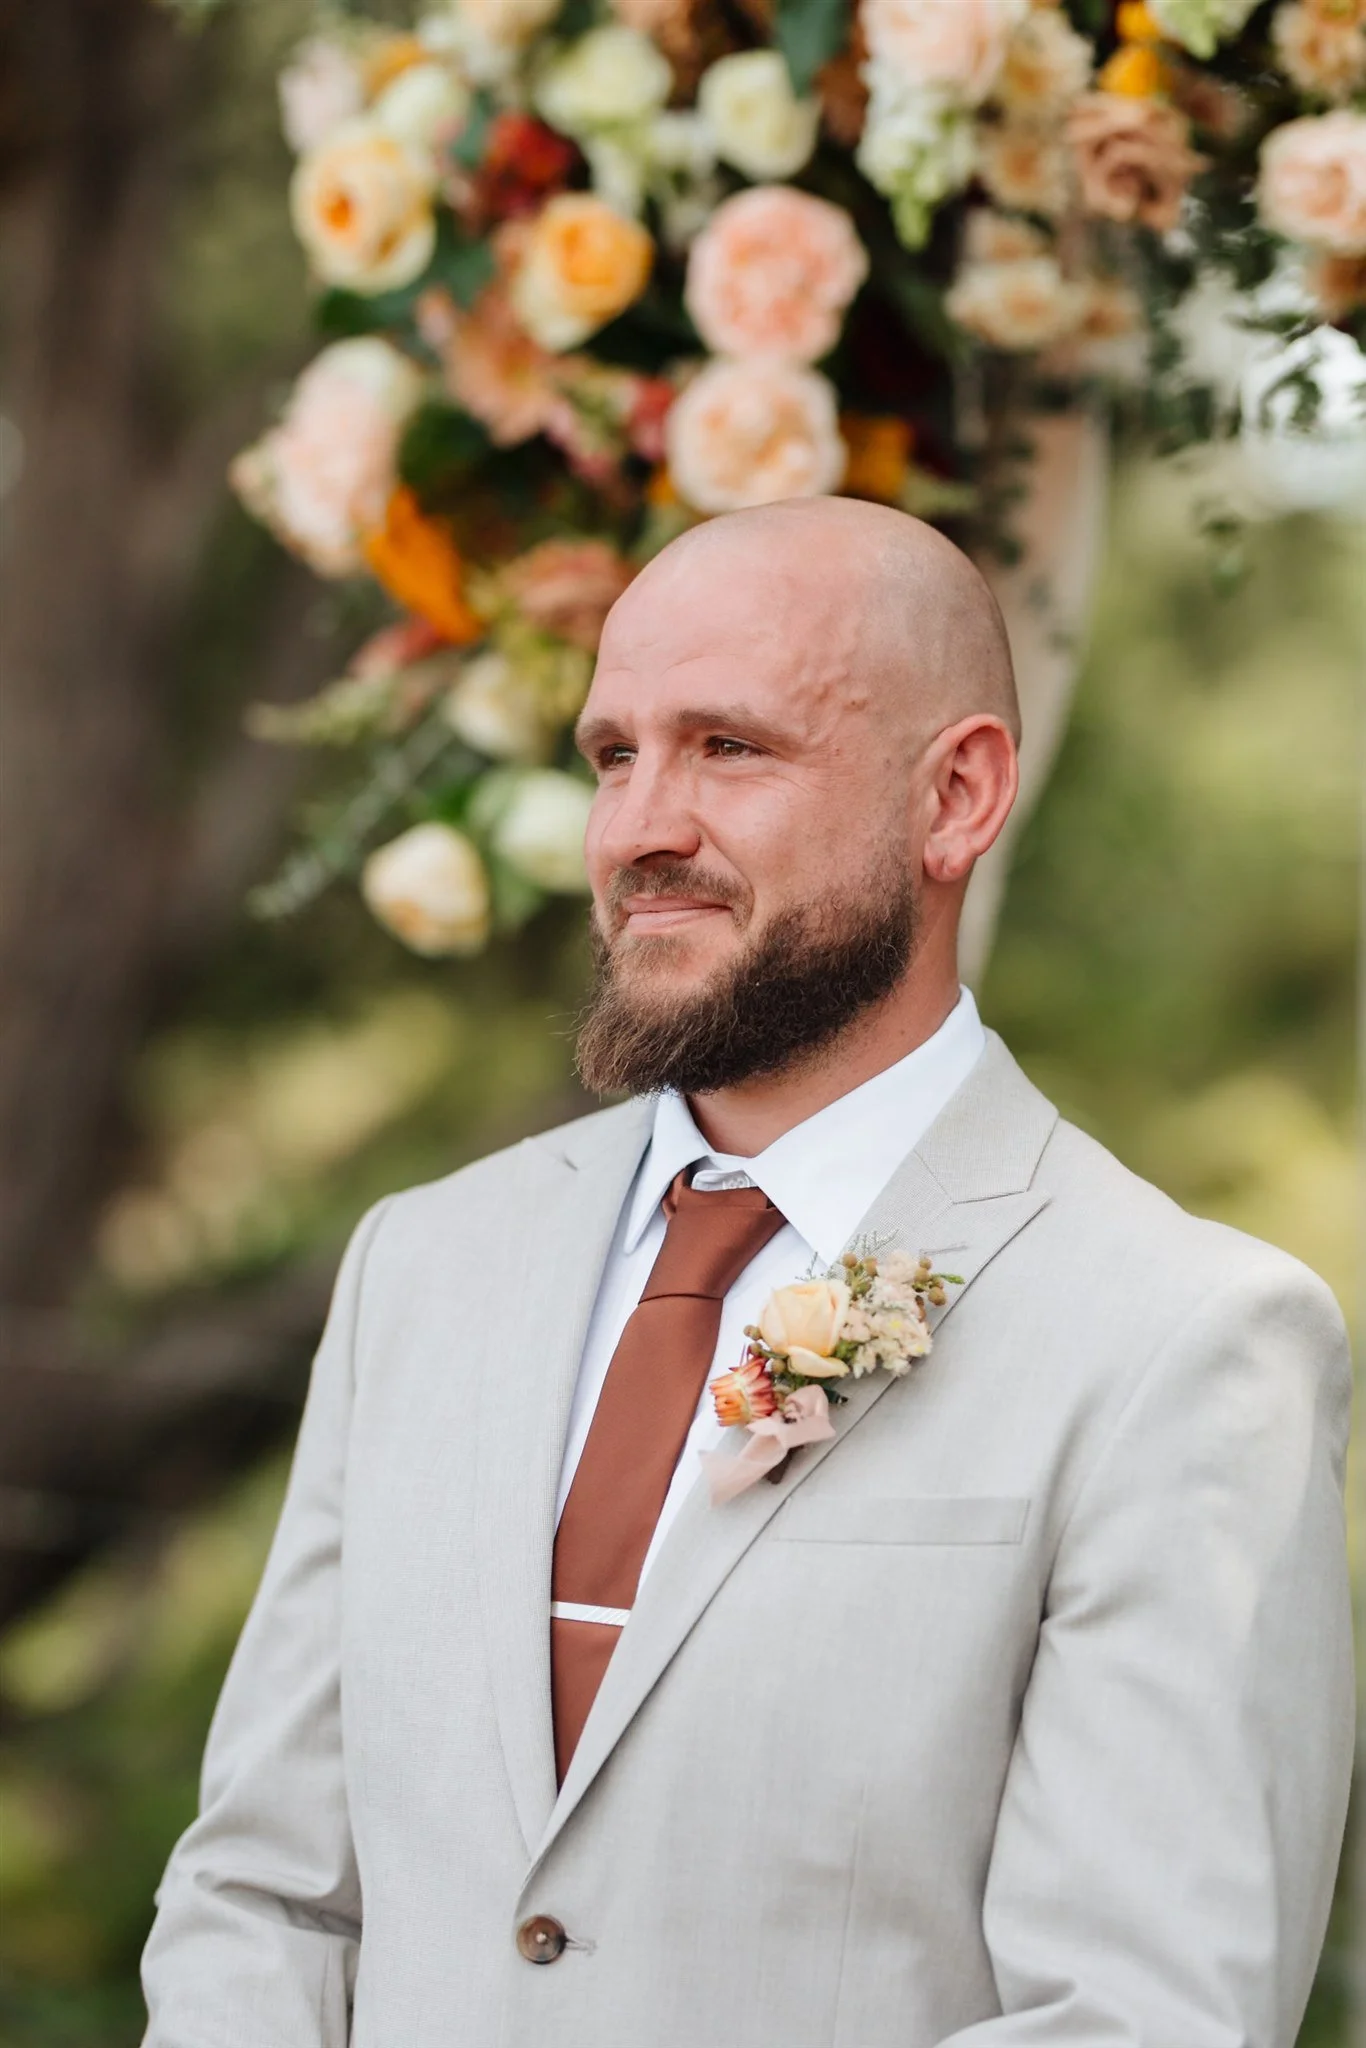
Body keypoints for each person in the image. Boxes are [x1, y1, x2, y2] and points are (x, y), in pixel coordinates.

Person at [141, 498, 1353, 2048]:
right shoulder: (421, 1266)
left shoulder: (1181, 1341)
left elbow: (1139, 2017)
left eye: (727, 748)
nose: (638, 827)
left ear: (956, 797)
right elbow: (265, 1896)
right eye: (612, 754)